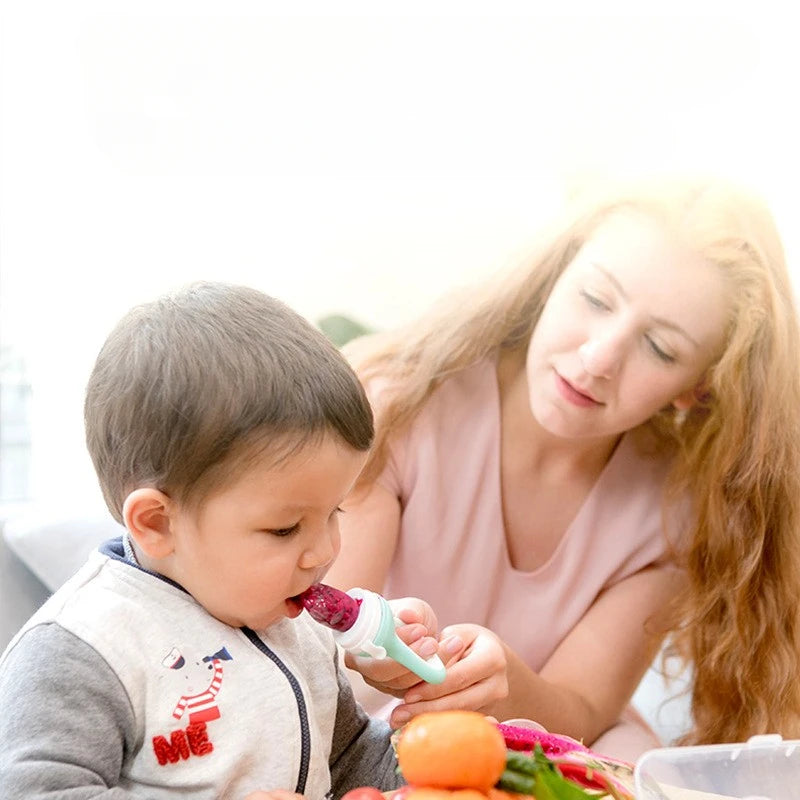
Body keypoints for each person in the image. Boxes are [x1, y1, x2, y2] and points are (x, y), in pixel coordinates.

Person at [326, 176, 800, 758]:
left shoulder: (673, 511)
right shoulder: (403, 404)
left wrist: (505, 687)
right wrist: (395, 660)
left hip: (555, 744)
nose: (599, 357)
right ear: (552, 279)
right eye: (596, 300)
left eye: (661, 349)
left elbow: (580, 710)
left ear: (696, 389)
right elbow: (328, 642)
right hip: (372, 724)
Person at [0, 282, 445, 799]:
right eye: (284, 528)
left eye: (334, 512)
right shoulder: (83, 649)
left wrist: (443, 745)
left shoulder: (294, 627)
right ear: (157, 523)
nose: (324, 551)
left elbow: (347, 760)